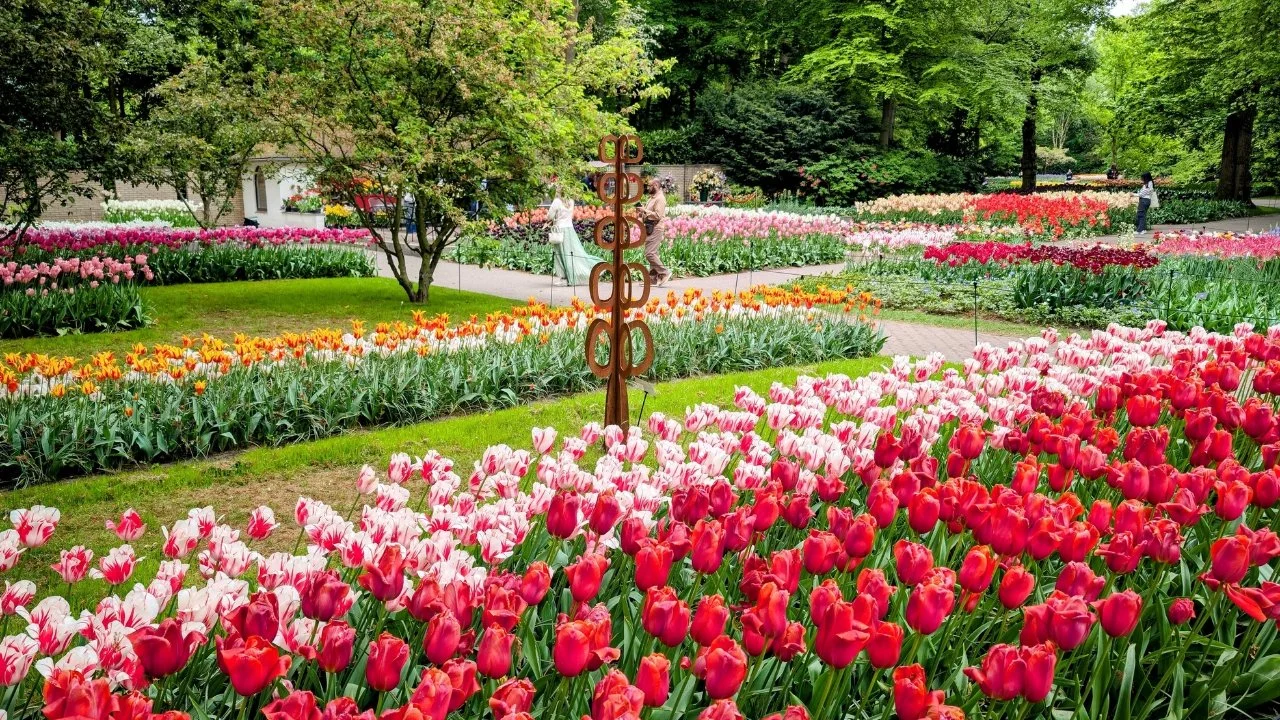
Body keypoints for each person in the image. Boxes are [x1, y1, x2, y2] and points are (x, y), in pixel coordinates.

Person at [546, 185, 599, 286]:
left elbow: (550, 216)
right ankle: (577, 274)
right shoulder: (571, 201)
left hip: (560, 230)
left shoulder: (557, 201)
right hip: (570, 230)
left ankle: (565, 278)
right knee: (573, 252)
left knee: (561, 254)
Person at [640, 178, 670, 286]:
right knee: (653, 252)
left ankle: (664, 272)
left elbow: (658, 215)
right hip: (650, 227)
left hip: (656, 227)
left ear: (656, 185)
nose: (648, 188)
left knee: (650, 253)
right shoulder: (652, 198)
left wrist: (645, 211)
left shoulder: (660, 198)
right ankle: (652, 279)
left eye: (650, 186)